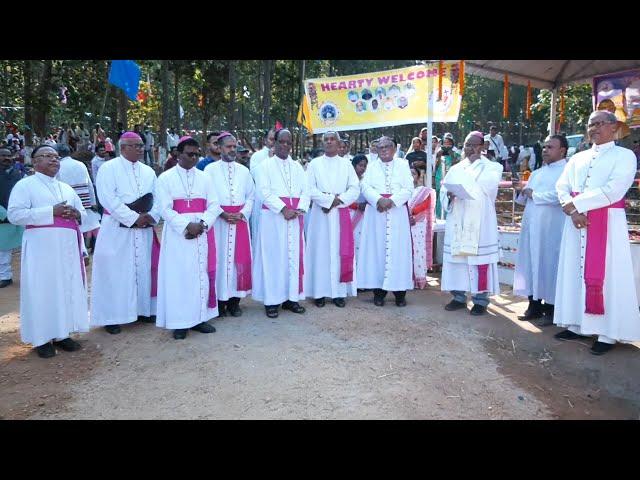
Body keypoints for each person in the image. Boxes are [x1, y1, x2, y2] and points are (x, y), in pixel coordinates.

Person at [553, 111, 640, 355]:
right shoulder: (577, 157)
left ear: (614, 127)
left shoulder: (624, 156)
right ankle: (576, 323)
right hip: (575, 222)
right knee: (573, 270)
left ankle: (607, 333)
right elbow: (562, 186)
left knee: (609, 274)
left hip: (607, 223)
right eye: (591, 124)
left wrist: (576, 205)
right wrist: (571, 211)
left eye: (601, 124)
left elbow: (614, 190)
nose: (595, 128)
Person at [7, 145, 88, 358]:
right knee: (42, 289)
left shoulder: (66, 188)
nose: (54, 160)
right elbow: (15, 215)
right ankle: (41, 338)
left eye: (56, 157)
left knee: (65, 287)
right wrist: (51, 211)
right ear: (35, 162)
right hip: (41, 246)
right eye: (47, 156)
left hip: (68, 245)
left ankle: (62, 334)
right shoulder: (25, 185)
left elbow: (83, 214)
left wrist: (76, 213)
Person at [90, 132, 161, 335]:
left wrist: (151, 216)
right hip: (116, 229)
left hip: (143, 229)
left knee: (143, 269)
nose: (140, 149)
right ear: (123, 147)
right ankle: (111, 316)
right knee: (115, 272)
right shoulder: (108, 168)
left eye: (141, 146)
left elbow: (157, 198)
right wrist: (132, 218)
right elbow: (107, 198)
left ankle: (143, 310)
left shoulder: (148, 171)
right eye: (136, 145)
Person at [156, 137, 221, 339]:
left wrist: (202, 224)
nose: (193, 158)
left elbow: (214, 205)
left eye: (196, 154)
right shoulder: (165, 178)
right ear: (178, 154)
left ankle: (200, 318)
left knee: (199, 274)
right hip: (178, 236)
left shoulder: (205, 178)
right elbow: (163, 209)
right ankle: (180, 322)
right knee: (179, 277)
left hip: (201, 233)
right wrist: (186, 226)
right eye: (189, 154)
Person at [441, 131, 503, 315]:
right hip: (458, 220)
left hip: (481, 222)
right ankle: (458, 297)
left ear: (483, 147)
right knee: (457, 260)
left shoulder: (493, 167)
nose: (470, 149)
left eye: (474, 145)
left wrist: (475, 164)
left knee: (479, 261)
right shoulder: (456, 168)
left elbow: (489, 187)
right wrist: (449, 195)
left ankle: (480, 300)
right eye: (467, 145)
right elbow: (445, 191)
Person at [252, 128, 309, 318]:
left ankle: (291, 298)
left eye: (288, 143)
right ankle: (272, 301)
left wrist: (299, 209)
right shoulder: (264, 167)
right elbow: (263, 192)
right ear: (273, 143)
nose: (285, 146)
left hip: (294, 218)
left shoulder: (298, 167)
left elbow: (306, 191)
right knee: (273, 260)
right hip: (273, 218)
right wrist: (283, 209)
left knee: (292, 259)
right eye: (281, 142)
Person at [513, 135, 568, 326]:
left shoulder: (567, 171)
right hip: (532, 227)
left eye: (550, 147)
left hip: (553, 228)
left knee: (550, 265)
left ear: (562, 150)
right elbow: (524, 200)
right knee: (531, 263)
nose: (545, 150)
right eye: (544, 147)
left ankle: (551, 309)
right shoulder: (537, 173)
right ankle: (533, 305)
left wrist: (533, 194)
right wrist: (519, 190)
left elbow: (560, 196)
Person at [305, 131, 360, 308]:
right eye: (326, 140)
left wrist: (337, 201)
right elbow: (309, 189)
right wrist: (327, 200)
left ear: (339, 144)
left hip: (339, 213)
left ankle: (338, 293)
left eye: (332, 140)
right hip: (320, 215)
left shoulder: (346, 164)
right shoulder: (314, 164)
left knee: (338, 251)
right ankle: (319, 293)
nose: (329, 142)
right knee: (319, 252)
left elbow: (355, 188)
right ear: (322, 144)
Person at [357, 136, 413, 307]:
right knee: (377, 252)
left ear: (394, 149)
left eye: (387, 146)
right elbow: (365, 187)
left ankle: (400, 294)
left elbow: (409, 188)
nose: (384, 149)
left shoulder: (403, 165)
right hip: (377, 214)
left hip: (397, 214)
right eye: (380, 147)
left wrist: (392, 201)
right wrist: (378, 200)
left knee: (398, 252)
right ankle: (378, 293)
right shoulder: (372, 167)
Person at [204, 133, 254, 317]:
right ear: (219, 147)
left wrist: (242, 213)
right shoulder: (209, 170)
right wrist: (222, 213)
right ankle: (219, 302)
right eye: (228, 146)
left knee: (237, 261)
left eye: (234, 146)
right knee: (220, 259)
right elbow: (208, 196)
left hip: (239, 221)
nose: (232, 150)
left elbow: (251, 196)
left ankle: (235, 301)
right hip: (219, 222)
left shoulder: (244, 171)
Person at [55, 144, 101, 254]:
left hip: (69, 201)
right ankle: (100, 247)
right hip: (85, 199)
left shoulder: (58, 166)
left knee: (76, 227)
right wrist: (93, 201)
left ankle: (80, 250)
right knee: (93, 225)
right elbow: (89, 183)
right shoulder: (80, 164)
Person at [0, 147, 24, 288]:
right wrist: (4, 214)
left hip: (19, 216)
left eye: (8, 155)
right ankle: (5, 276)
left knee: (25, 247)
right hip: (2, 218)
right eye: (2, 155)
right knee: (3, 250)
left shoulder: (18, 174)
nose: (6, 158)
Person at [408, 167, 435, 289]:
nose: (411, 176)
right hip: (404, 224)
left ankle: (419, 279)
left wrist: (411, 212)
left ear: (418, 177)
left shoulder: (424, 191)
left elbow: (425, 205)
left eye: (413, 174)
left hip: (418, 224)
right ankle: (406, 279)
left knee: (418, 250)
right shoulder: (402, 190)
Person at [249, 128, 276, 241]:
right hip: (262, 202)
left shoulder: (286, 158)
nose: (274, 142)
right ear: (265, 140)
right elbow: (256, 176)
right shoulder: (257, 156)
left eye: (276, 139)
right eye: (271, 139)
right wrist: (270, 159)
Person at [434, 134, 461, 218]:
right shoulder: (439, 153)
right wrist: (438, 156)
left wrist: (452, 155)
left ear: (452, 144)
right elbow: (436, 166)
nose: (446, 144)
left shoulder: (456, 154)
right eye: (445, 143)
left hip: (451, 177)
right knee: (440, 194)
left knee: (449, 194)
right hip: (440, 176)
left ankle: (448, 214)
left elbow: (456, 165)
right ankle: (439, 215)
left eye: (448, 143)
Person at [349, 154, 368, 266]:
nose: (363, 168)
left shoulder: (366, 181)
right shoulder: (347, 180)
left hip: (363, 216)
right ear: (354, 166)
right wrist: (357, 206)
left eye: (365, 166)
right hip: (350, 214)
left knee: (361, 241)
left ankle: (360, 268)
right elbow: (343, 198)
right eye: (360, 165)